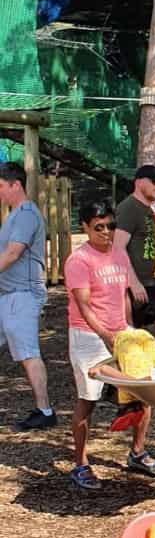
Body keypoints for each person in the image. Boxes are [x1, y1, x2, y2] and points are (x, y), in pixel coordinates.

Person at [64, 200, 155, 491]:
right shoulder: (79, 261)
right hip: (88, 337)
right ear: (85, 227)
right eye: (99, 227)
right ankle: (81, 463)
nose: (106, 232)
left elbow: (122, 296)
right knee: (88, 400)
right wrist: (107, 336)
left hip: (121, 333)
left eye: (111, 226)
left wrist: (128, 328)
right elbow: (84, 307)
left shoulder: (119, 256)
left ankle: (138, 452)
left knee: (144, 391)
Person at [0, 161, 55, 430]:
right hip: (7, 294)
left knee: (28, 353)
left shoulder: (25, 214)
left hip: (22, 294)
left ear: (16, 185)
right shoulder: (13, 214)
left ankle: (44, 410)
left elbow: (12, 253)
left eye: (1, 186)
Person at [114, 164, 155, 347]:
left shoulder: (147, 209)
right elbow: (118, 247)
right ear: (139, 182)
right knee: (131, 336)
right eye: (154, 181)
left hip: (149, 282)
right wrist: (132, 282)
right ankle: (135, 372)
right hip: (131, 285)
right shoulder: (129, 208)